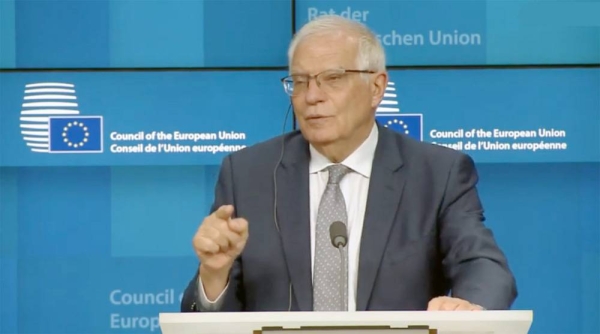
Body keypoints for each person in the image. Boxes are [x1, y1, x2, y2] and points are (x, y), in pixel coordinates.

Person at [180, 15, 517, 312]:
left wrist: (468, 307)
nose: (312, 96)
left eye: (333, 78)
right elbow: (206, 314)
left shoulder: (436, 174)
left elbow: (483, 267)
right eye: (300, 81)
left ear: (376, 87)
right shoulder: (247, 174)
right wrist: (213, 274)